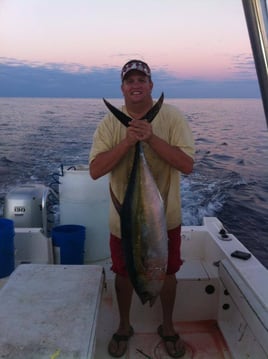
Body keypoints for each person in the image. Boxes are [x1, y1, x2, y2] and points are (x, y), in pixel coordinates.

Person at [89, 59, 195, 358]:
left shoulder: (172, 118)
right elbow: (95, 171)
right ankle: (124, 326)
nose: (135, 85)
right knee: (123, 274)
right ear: (122, 88)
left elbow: (187, 165)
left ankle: (168, 326)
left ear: (150, 86)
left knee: (169, 271)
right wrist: (127, 142)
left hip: (165, 219)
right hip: (123, 222)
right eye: (130, 81)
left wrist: (150, 137)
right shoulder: (110, 124)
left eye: (141, 80)